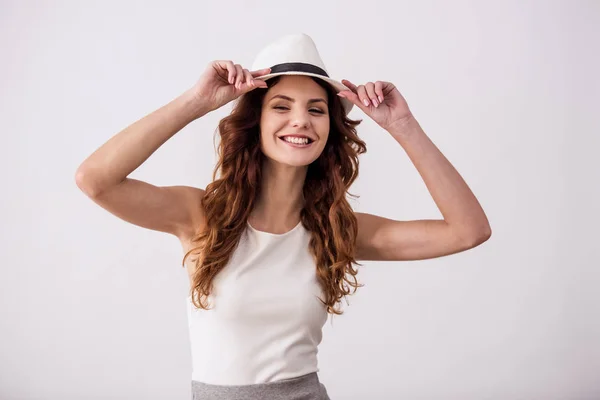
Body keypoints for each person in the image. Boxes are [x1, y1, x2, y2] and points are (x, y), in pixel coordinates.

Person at [75, 33, 491, 399]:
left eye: (316, 109)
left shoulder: (338, 229)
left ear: (330, 126)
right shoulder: (201, 216)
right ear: (256, 120)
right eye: (281, 106)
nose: (300, 120)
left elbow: (468, 231)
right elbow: (95, 180)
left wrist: (403, 124)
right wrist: (196, 102)